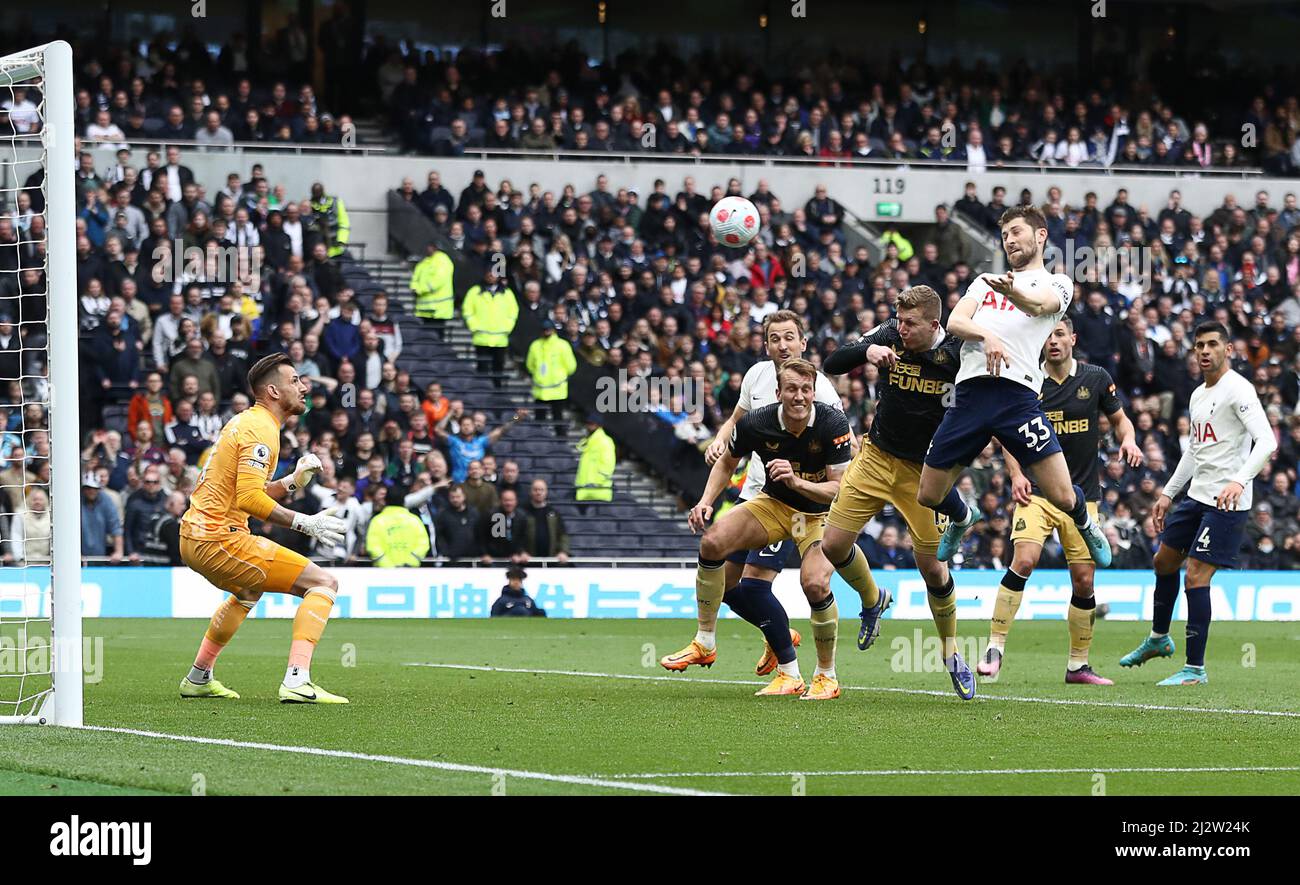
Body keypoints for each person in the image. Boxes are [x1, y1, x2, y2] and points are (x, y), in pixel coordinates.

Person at [917, 205, 1110, 571]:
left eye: (1017, 232)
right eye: (1005, 235)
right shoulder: (986, 280)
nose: (1009, 240)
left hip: (1017, 399)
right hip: (970, 395)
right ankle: (962, 518)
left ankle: (1086, 524)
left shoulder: (1057, 283)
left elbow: (1039, 307)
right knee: (928, 494)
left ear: (1040, 236)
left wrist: (1014, 293)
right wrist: (987, 334)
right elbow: (956, 320)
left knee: (1063, 495)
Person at [818, 285, 975, 699]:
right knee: (832, 546)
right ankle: (873, 598)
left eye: (911, 324)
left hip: (924, 472)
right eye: (899, 321)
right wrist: (866, 351)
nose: (902, 330)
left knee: (932, 569)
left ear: (935, 325)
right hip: (875, 456)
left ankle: (950, 653)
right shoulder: (888, 333)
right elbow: (832, 362)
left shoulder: (960, 354)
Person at [665, 359, 852, 700]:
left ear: (814, 392)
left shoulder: (832, 422)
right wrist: (706, 500)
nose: (799, 397)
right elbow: (727, 461)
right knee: (712, 543)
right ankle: (705, 639)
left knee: (814, 582)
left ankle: (826, 676)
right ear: (778, 393)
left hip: (820, 515)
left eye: (805, 390)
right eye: (791, 389)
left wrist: (795, 481)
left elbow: (838, 489)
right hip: (774, 506)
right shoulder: (756, 422)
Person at [979, 317, 1144, 685]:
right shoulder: (1028, 380)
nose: (1053, 342)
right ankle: (995, 646)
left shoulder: (1096, 379)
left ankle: (1077, 666)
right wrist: (1017, 475)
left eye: (1059, 334)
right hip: (1036, 493)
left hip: (1081, 496)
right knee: (1024, 559)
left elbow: (1121, 421)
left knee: (1084, 580)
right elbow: (1007, 435)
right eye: (1047, 335)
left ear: (1073, 337)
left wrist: (1128, 440)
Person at [177, 353, 349, 704]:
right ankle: (297, 681)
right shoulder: (261, 429)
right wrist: (305, 523)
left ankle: (198, 678)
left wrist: (291, 482)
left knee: (247, 593)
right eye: (295, 381)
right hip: (218, 539)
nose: (304, 387)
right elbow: (249, 500)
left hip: (197, 536)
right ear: (273, 390)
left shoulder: (248, 422)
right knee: (323, 582)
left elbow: (243, 493)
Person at [1120, 322, 1277, 685]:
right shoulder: (1197, 395)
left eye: (1211, 345)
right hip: (1197, 496)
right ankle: (1159, 639)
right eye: (1199, 346)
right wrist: (1167, 493)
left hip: (1227, 502)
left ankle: (1194, 669)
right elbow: (1194, 449)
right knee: (1164, 561)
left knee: (1195, 575)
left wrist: (1239, 480)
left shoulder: (1239, 389)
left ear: (1228, 350)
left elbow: (1266, 441)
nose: (1204, 351)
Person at [696, 310, 840, 683]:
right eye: (775, 338)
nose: (782, 345)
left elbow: (840, 448)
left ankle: (792, 667)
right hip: (755, 493)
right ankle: (776, 633)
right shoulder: (757, 376)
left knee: (757, 585)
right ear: (766, 345)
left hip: (798, 502)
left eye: (789, 337)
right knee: (727, 586)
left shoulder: (817, 387)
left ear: (803, 343)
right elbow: (737, 423)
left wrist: (803, 482)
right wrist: (721, 438)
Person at [461, 267, 518, 388]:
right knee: (482, 367)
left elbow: (513, 312)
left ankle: (497, 391)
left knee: (498, 367)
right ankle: (481, 390)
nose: (491, 276)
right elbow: (467, 310)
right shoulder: (475, 291)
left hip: (500, 338)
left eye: (494, 274)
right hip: (481, 337)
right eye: (489, 273)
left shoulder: (507, 292)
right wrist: (474, 326)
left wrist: (507, 327)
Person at [525, 319, 577, 436]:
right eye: (545, 329)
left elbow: (571, 366)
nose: (547, 332)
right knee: (540, 419)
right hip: (541, 389)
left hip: (557, 389)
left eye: (549, 329)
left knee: (558, 418)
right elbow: (530, 365)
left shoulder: (562, 345)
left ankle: (560, 443)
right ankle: (539, 442)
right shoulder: (535, 345)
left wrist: (559, 376)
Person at [365, 482, 430, 567]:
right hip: (410, 572)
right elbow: (423, 544)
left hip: (383, 573)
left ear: (385, 500)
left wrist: (387, 565)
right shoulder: (415, 520)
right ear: (404, 501)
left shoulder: (377, 521)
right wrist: (410, 562)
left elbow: (373, 546)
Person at [410, 240, 455, 339]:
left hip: (438, 309)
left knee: (436, 338)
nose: (427, 249)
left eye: (430, 246)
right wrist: (414, 287)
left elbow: (438, 280)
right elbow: (415, 277)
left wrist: (420, 289)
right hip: (424, 309)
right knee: (425, 338)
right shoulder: (424, 262)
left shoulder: (443, 260)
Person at [575, 412, 615, 509]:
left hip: (597, 491)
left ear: (598, 425)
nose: (588, 426)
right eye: (588, 423)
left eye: (591, 423)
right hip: (586, 491)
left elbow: (608, 465)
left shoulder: (605, 441)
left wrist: (596, 483)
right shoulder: (591, 441)